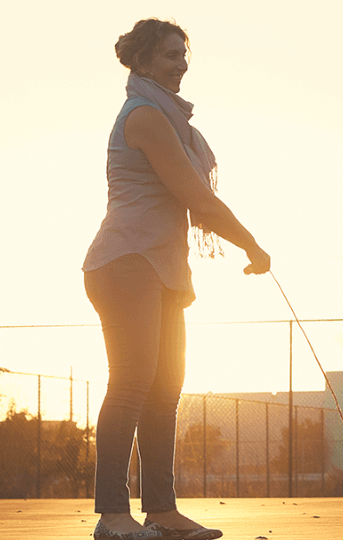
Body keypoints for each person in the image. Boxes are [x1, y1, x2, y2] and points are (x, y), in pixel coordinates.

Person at [83, 17, 269, 540]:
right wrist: (251, 243)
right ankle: (114, 516)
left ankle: (161, 513)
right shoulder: (144, 116)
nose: (181, 63)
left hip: (160, 267)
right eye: (170, 55)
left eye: (184, 54)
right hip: (125, 263)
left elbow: (194, 199)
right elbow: (197, 196)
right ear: (142, 62)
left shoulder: (170, 119)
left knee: (165, 392)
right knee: (131, 386)